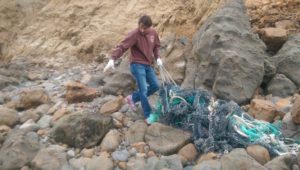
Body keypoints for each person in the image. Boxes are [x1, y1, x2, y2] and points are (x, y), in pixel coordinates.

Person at [103, 15, 163, 124]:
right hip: (137, 64)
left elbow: (156, 46)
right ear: (139, 24)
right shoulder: (134, 34)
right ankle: (148, 115)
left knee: (155, 86)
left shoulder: (153, 33)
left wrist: (158, 58)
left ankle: (133, 98)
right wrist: (112, 58)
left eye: (145, 28)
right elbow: (122, 46)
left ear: (150, 27)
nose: (142, 30)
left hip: (148, 65)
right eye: (141, 26)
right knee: (144, 90)